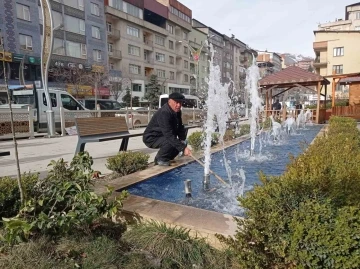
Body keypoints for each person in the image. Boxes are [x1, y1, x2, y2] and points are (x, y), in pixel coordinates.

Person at [143, 92, 192, 166]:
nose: (178, 105)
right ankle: (160, 159)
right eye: (176, 102)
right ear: (169, 101)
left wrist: (183, 140)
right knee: (170, 141)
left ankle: (167, 158)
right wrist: (183, 148)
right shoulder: (164, 112)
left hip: (163, 136)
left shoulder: (177, 111)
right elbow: (168, 135)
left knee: (180, 143)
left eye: (180, 103)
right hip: (152, 137)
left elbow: (180, 127)